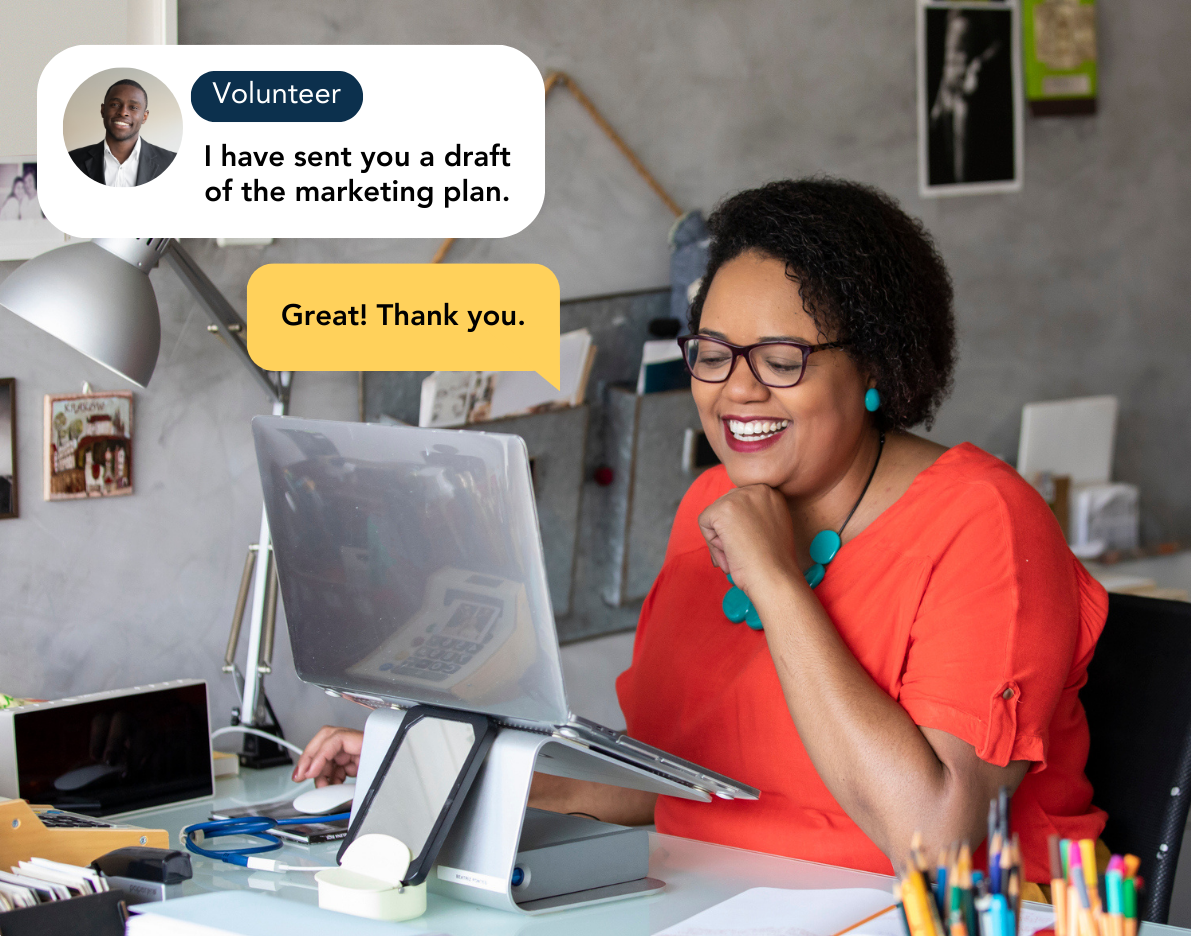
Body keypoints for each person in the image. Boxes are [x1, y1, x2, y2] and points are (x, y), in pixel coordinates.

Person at [294, 179, 1107, 893]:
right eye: (712, 354)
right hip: (714, 900)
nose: (735, 391)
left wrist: (776, 583)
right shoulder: (712, 503)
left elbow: (931, 842)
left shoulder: (983, 522)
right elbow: (673, 789)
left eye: (780, 359)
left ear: (874, 366)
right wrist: (441, 771)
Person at [68, 79, 175, 187]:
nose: (123, 112)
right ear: (103, 110)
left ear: (144, 116)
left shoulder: (172, 163)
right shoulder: (72, 160)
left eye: (133, 107)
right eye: (115, 104)